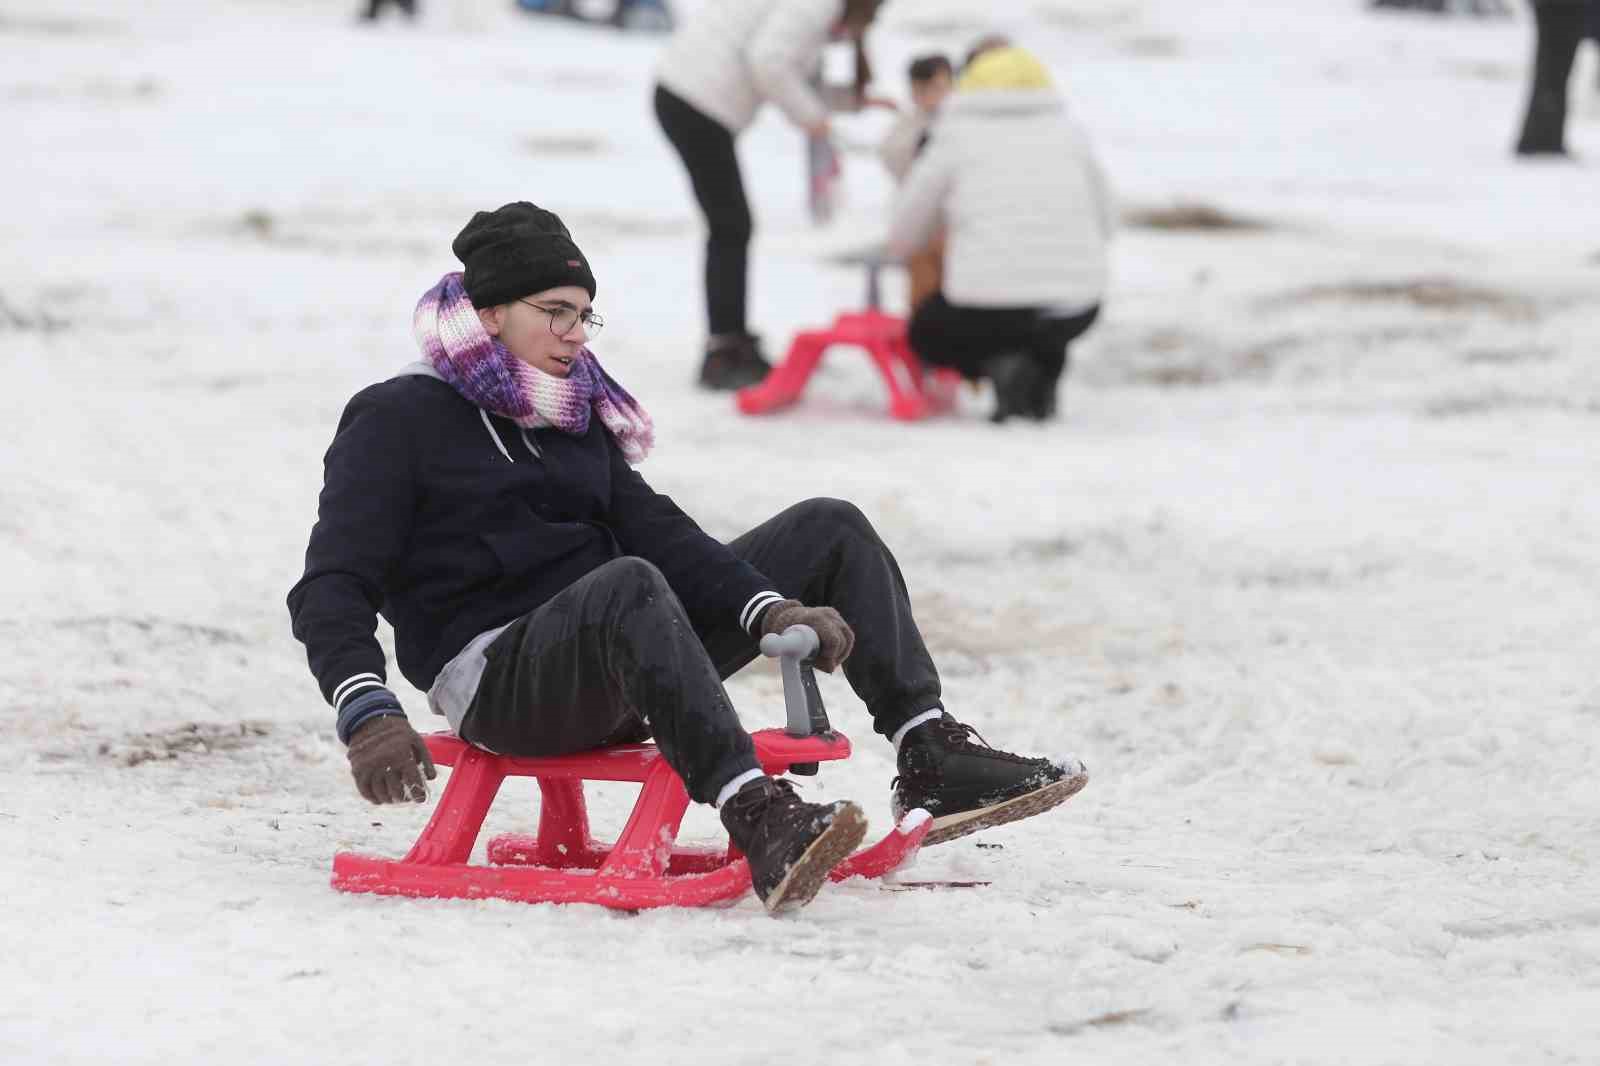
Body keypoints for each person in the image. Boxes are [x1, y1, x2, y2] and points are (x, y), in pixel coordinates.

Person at [286, 202, 1089, 914]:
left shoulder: (569, 414)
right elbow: (332, 583)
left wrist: (768, 607)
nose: (575, 334)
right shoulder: (397, 418)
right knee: (628, 583)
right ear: (491, 313)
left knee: (827, 527)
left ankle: (929, 750)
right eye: (556, 311)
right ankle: (757, 815)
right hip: (502, 680)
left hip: (626, 642)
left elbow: (661, 531)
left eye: (585, 315)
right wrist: (368, 710)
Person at [653, 0, 887, 391]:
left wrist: (849, 102)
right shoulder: (818, 5)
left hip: (686, 95)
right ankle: (725, 351)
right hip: (694, 100)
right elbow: (768, 61)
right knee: (731, 226)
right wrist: (812, 118)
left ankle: (731, 342)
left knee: (730, 225)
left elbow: (793, 72)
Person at [888, 46, 1112, 423]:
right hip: (1077, 306)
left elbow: (905, 230)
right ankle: (1037, 375)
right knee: (1043, 320)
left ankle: (1003, 367)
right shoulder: (1071, 134)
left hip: (985, 306)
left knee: (926, 332)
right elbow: (1109, 222)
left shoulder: (954, 134)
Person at [877, 54, 954, 314]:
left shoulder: (961, 123)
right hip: (923, 224)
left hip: (958, 223)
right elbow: (891, 156)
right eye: (921, 89)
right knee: (923, 293)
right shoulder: (908, 124)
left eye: (937, 88)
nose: (929, 96)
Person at [1515, 0, 1589, 155]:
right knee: (1553, 71)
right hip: (1559, 7)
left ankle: (1546, 136)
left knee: (1554, 72)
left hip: (1558, 7)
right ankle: (1542, 139)